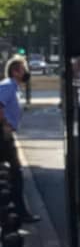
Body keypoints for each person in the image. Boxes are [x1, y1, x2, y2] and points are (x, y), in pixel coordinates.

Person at [0, 56, 39, 223]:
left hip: (6, 134)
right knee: (16, 173)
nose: (26, 73)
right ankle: (20, 212)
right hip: (3, 134)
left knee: (14, 173)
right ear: (15, 71)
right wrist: (5, 124)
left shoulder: (13, 87)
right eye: (23, 69)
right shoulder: (8, 86)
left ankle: (16, 211)